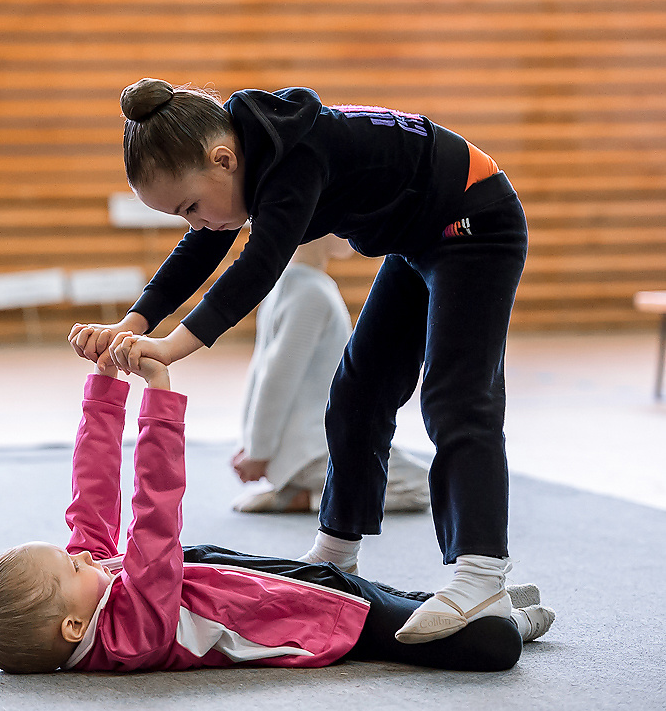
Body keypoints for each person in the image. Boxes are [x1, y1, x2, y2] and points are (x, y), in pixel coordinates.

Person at [69, 78, 529, 643]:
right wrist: (133, 324)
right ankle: (336, 558)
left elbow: (257, 268)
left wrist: (172, 347)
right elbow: (201, 248)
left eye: (191, 206)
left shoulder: (292, 157)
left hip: (474, 219)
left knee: (457, 397)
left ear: (223, 159)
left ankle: (482, 575)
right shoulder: (246, 156)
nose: (196, 222)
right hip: (421, 237)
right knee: (358, 392)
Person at [0, 349, 554, 675]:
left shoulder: (89, 591)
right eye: (73, 566)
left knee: (394, 596)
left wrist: (105, 393)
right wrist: (159, 404)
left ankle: (477, 605)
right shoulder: (131, 633)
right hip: (320, 624)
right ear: (74, 629)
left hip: (284, 586)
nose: (84, 556)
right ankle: (502, 624)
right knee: (478, 647)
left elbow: (91, 498)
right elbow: (154, 514)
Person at [231, 234, 430, 515]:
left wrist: (251, 443)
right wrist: (257, 453)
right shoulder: (312, 292)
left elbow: (262, 370)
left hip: (301, 450)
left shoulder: (283, 286)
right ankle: (312, 499)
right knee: (424, 485)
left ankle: (300, 489)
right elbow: (276, 379)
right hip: (316, 450)